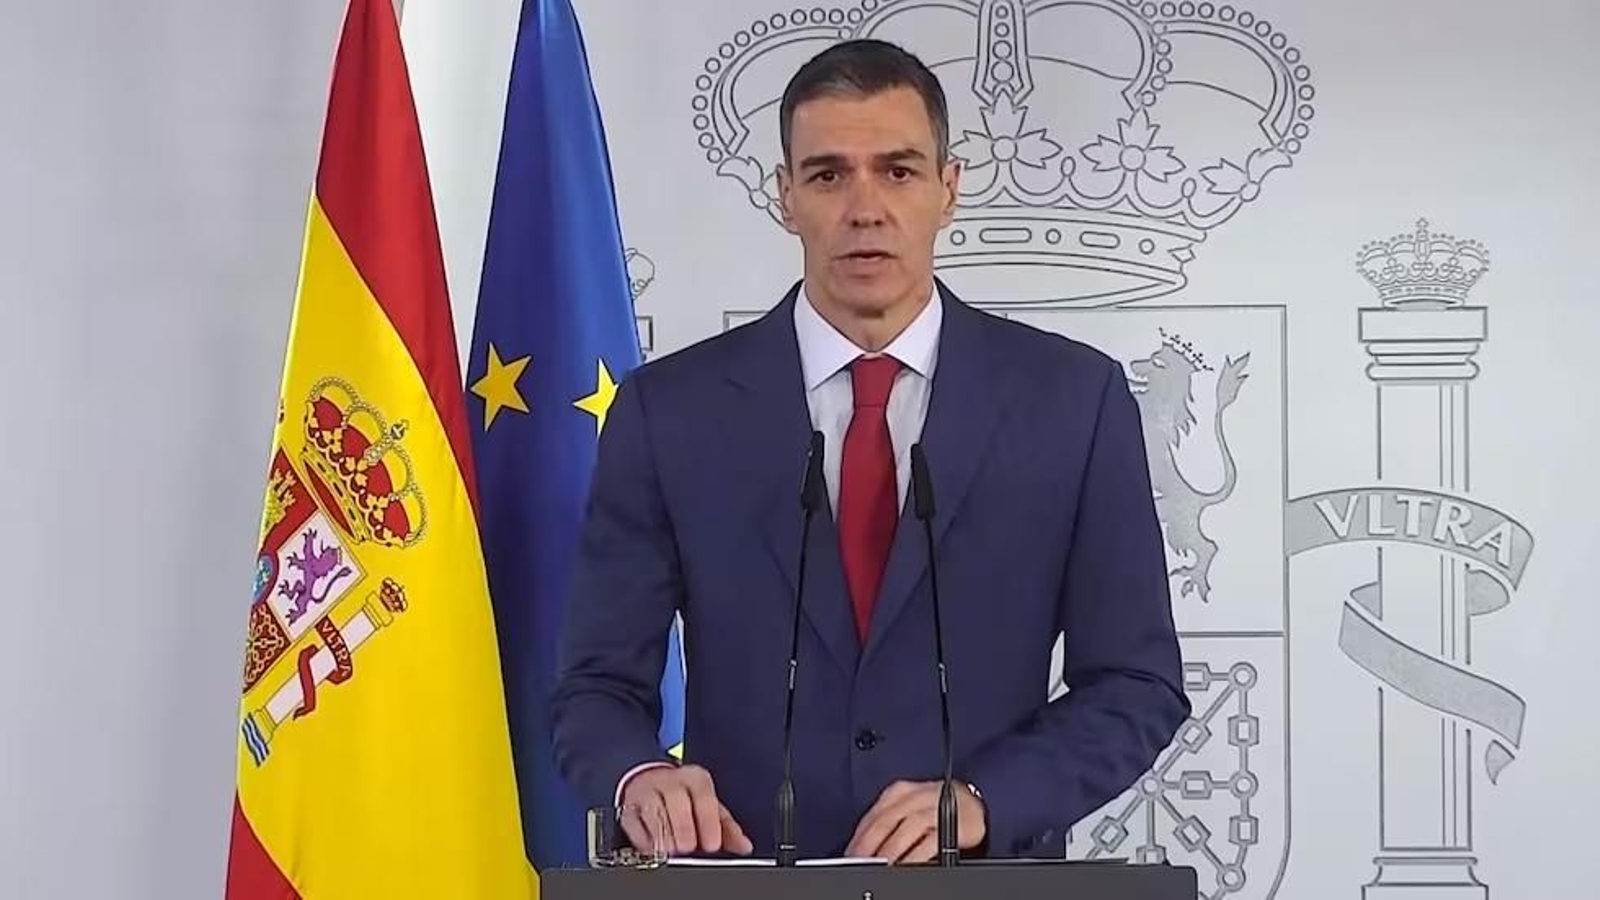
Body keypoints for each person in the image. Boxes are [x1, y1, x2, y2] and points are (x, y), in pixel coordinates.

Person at [550, 38, 1188, 864]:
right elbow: (595, 688)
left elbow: (1136, 684)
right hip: (747, 875)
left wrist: (988, 799)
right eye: (827, 175)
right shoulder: (668, 413)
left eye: (898, 171)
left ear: (947, 189)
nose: (865, 208)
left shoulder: (1073, 401)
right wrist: (638, 775)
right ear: (785, 196)